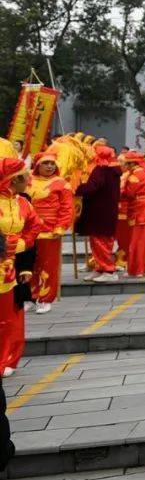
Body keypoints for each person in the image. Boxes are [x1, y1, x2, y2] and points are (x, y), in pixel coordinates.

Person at [0, 158, 42, 377]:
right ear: (13, 180)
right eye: (26, 176)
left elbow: (35, 227)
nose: (30, 180)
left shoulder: (23, 203)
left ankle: (8, 357)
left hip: (13, 267)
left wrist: (22, 247)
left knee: (11, 316)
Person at [26, 152, 74, 314]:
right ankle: (30, 297)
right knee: (29, 265)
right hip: (28, 231)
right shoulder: (27, 181)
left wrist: (60, 227)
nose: (49, 166)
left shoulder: (61, 183)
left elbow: (67, 208)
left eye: (52, 164)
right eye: (46, 163)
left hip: (50, 231)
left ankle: (45, 299)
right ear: (37, 165)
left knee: (48, 266)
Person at [76, 146, 122, 282]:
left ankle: (109, 270)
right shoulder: (112, 170)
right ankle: (99, 267)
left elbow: (92, 187)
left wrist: (77, 188)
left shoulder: (102, 170)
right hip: (103, 211)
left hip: (101, 212)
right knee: (97, 241)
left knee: (101, 242)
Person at [119, 151, 145, 277]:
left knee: (137, 240)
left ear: (131, 164)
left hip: (139, 209)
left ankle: (136, 269)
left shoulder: (133, 177)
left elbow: (128, 194)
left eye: (126, 163)